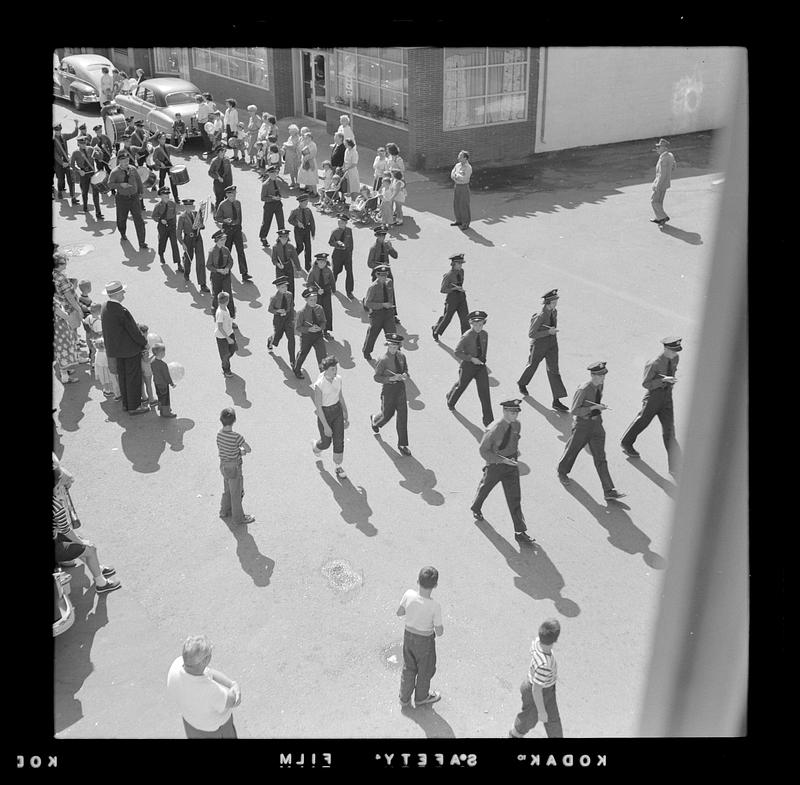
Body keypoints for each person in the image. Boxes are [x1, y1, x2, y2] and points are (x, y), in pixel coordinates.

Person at [557, 362, 627, 500]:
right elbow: (574, 410)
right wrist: (592, 409)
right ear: (593, 375)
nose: (603, 378)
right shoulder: (583, 389)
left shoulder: (600, 385)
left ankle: (609, 490)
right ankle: (562, 471)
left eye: (604, 375)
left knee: (601, 458)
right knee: (573, 449)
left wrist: (599, 407)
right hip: (582, 425)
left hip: (597, 426)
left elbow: (596, 400)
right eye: (601, 376)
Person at [470, 399, 536, 545]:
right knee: (485, 488)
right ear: (505, 411)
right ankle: (476, 506)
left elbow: (514, 440)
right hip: (496, 465)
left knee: (515, 498)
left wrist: (514, 454)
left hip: (511, 464)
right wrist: (501, 460)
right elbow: (483, 451)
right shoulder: (494, 429)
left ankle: (520, 531)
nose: (515, 416)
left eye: (517, 413)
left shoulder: (517, 425)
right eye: (512, 413)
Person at [53, 465, 121, 593]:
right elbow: (65, 529)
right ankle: (101, 584)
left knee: (81, 547)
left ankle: (96, 567)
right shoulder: (56, 504)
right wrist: (82, 542)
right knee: (90, 548)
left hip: (56, 537)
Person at [620, 337, 683, 475]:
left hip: (667, 398)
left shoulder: (675, 358)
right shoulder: (654, 363)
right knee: (643, 421)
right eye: (673, 351)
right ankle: (626, 442)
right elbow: (646, 384)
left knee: (669, 432)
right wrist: (662, 380)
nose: (675, 353)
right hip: (654, 397)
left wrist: (669, 382)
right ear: (666, 349)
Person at [167, 634, 242, 738]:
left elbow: (208, 672)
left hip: (191, 725)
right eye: (209, 654)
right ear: (204, 661)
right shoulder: (210, 691)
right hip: (217, 731)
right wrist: (235, 688)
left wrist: (230, 683)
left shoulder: (176, 666)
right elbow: (234, 701)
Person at [100, 280, 150, 414]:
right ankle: (135, 406)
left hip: (116, 350)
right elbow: (133, 331)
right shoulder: (121, 311)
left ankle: (127, 404)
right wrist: (144, 342)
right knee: (133, 378)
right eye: (122, 291)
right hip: (129, 350)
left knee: (123, 377)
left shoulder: (105, 307)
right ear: (117, 294)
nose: (124, 293)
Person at [396, 566, 444, 707]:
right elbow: (439, 631)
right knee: (425, 670)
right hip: (425, 642)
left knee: (408, 667)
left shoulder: (409, 594)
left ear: (417, 581)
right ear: (435, 585)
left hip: (408, 637)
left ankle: (404, 698)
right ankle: (421, 697)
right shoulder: (435, 606)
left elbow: (399, 612)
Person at [508, 620, 564, 738]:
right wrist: (541, 711)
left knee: (553, 720)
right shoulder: (545, 665)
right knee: (529, 718)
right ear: (555, 640)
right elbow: (536, 690)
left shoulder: (537, 642)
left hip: (544, 688)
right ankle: (514, 735)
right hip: (538, 691)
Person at [516, 288, 569, 411]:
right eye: (554, 301)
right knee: (532, 365)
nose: (556, 303)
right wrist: (548, 332)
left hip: (552, 345)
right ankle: (522, 383)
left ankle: (556, 400)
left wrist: (551, 333)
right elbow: (531, 334)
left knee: (554, 371)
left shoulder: (554, 312)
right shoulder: (539, 316)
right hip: (539, 345)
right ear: (548, 302)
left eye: (556, 301)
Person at [446, 310, 494, 427]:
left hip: (480, 366)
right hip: (468, 365)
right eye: (475, 325)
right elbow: (457, 352)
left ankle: (489, 421)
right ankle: (451, 401)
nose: (478, 327)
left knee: (484, 392)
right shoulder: (467, 336)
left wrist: (483, 362)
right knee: (461, 386)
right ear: (471, 324)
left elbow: (484, 349)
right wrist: (471, 359)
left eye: (481, 324)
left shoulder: (485, 334)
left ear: (484, 323)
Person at [370, 333, 411, 455]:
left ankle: (402, 444)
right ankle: (375, 421)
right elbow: (376, 377)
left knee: (403, 416)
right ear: (387, 345)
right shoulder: (383, 360)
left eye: (395, 346)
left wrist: (405, 375)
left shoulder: (402, 356)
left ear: (399, 346)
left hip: (401, 389)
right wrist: (390, 379)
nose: (393, 348)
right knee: (387, 414)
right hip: (389, 390)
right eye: (391, 346)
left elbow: (406, 370)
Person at [215, 407, 256, 525]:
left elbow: (224, 449)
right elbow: (248, 449)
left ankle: (224, 511)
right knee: (236, 493)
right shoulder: (236, 436)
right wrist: (241, 451)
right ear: (234, 420)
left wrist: (236, 451)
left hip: (223, 465)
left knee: (227, 490)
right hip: (234, 467)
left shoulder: (219, 434)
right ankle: (239, 518)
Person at [311, 355, 349, 478]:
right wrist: (326, 427)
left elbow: (340, 396)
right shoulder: (319, 385)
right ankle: (317, 446)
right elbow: (319, 408)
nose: (335, 371)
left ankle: (338, 467)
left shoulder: (338, 379)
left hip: (337, 411)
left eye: (336, 368)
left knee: (339, 440)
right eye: (332, 369)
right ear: (325, 370)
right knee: (326, 443)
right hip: (325, 414)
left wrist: (345, 414)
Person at [107, 152, 149, 250]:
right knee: (121, 219)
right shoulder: (115, 172)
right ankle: (122, 232)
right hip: (122, 199)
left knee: (139, 220)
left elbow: (138, 181)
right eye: (124, 161)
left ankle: (142, 242)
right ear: (119, 161)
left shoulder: (133, 169)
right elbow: (110, 184)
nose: (126, 162)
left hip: (134, 198)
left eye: (127, 160)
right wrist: (120, 185)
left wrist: (141, 193)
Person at [52, 252, 82, 385]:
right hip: (67, 310)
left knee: (67, 338)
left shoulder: (54, 274)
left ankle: (70, 366)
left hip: (63, 310)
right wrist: (77, 309)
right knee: (66, 340)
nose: (66, 264)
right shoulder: (61, 279)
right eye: (64, 262)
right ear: (58, 265)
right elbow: (69, 296)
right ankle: (67, 371)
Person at [214, 185, 251, 281]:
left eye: (234, 194)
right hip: (228, 229)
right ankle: (224, 270)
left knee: (240, 251)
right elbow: (217, 218)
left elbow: (240, 216)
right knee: (226, 250)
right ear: (227, 195)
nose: (233, 197)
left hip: (237, 229)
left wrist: (240, 228)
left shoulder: (238, 203)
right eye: (231, 195)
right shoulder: (222, 205)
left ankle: (244, 273)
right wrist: (225, 220)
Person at [432, 253, 469, 342]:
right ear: (454, 264)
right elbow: (442, 289)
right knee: (447, 318)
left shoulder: (462, 271)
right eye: (459, 263)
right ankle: (436, 330)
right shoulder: (448, 275)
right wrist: (453, 288)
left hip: (461, 297)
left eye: (461, 263)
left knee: (465, 318)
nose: (461, 265)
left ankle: (466, 338)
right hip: (452, 298)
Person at [362, 265, 396, 361]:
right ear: (377, 275)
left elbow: (390, 295)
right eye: (381, 275)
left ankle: (395, 353)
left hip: (388, 313)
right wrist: (382, 305)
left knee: (392, 334)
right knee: (373, 334)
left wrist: (390, 305)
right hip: (377, 314)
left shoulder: (389, 282)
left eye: (385, 275)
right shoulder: (373, 287)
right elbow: (367, 303)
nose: (384, 278)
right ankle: (367, 351)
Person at [293, 286, 327, 379]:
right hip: (307, 337)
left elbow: (324, 321)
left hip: (318, 336)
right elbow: (298, 328)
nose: (314, 302)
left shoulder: (319, 308)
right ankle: (297, 369)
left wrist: (320, 328)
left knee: (322, 355)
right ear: (306, 300)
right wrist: (308, 329)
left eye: (315, 299)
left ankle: (323, 374)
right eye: (311, 300)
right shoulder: (301, 312)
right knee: (303, 353)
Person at [177, 198, 210, 292]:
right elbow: (178, 232)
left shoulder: (196, 214)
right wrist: (182, 243)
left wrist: (200, 225)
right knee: (189, 258)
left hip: (198, 237)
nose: (189, 208)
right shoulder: (182, 217)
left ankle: (202, 284)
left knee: (200, 260)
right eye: (187, 206)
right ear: (184, 207)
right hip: (188, 239)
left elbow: (202, 225)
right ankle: (186, 272)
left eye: (190, 206)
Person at [70, 135, 103, 219]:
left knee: (95, 193)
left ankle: (98, 212)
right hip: (83, 174)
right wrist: (78, 170)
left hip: (92, 173)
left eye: (85, 143)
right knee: (84, 192)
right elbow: (72, 164)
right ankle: (85, 206)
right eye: (82, 143)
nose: (84, 145)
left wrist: (99, 151)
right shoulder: (75, 152)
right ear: (78, 144)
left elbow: (99, 158)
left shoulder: (91, 149)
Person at [206, 230, 236, 319]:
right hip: (216, 276)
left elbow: (231, 261)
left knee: (228, 294)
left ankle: (231, 314)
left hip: (226, 275)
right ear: (217, 240)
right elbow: (208, 265)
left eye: (225, 239)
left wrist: (227, 268)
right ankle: (216, 314)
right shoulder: (212, 252)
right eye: (222, 240)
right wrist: (218, 270)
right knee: (216, 295)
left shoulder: (226, 250)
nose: (224, 241)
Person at [267, 276, 295, 365]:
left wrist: (292, 317)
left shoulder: (289, 295)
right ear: (278, 288)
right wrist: (277, 311)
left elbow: (291, 306)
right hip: (278, 319)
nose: (285, 288)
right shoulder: (274, 298)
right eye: (282, 287)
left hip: (288, 319)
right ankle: (270, 340)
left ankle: (293, 360)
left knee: (291, 338)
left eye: (286, 286)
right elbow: (270, 309)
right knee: (277, 336)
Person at [307, 253, 336, 340]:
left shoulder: (328, 270)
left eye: (324, 262)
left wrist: (333, 290)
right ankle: (316, 330)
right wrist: (316, 289)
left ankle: (325, 331)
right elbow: (309, 283)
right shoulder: (313, 271)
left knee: (327, 311)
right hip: (316, 294)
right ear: (317, 262)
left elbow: (332, 280)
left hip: (326, 292)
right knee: (317, 311)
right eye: (320, 262)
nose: (322, 264)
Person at [152, 187, 181, 269]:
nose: (167, 198)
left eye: (167, 197)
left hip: (171, 225)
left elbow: (174, 215)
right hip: (162, 226)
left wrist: (174, 225)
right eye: (165, 197)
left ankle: (178, 263)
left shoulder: (172, 204)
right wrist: (160, 220)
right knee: (162, 242)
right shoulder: (158, 206)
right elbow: (154, 216)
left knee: (174, 244)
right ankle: (161, 254)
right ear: (160, 197)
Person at [151, 132, 185, 202]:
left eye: (164, 138)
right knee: (161, 181)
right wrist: (160, 163)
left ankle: (176, 198)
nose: (164, 140)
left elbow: (177, 149)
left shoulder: (168, 146)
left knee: (173, 182)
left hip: (169, 166)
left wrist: (182, 141)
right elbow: (154, 159)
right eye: (162, 139)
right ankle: (162, 196)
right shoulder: (157, 149)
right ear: (159, 140)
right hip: (162, 167)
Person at [288, 193, 316, 272]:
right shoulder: (295, 211)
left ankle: (308, 266)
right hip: (298, 230)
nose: (306, 204)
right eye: (304, 202)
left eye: (307, 202)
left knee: (308, 248)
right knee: (300, 247)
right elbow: (290, 220)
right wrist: (297, 224)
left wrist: (313, 232)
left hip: (306, 230)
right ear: (300, 203)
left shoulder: (308, 211)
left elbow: (312, 222)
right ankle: (292, 258)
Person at [54, 120, 80, 204]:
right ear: (54, 130)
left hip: (66, 161)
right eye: (57, 130)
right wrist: (62, 163)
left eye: (59, 130)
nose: (58, 132)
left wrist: (76, 125)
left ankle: (73, 197)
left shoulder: (64, 136)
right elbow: (55, 154)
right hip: (59, 163)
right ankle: (60, 191)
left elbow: (74, 134)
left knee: (71, 180)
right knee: (61, 180)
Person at [650, 138, 676, 225]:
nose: (657, 149)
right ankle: (659, 218)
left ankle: (663, 217)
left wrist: (657, 185)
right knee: (659, 201)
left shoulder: (663, 159)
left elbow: (662, 174)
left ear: (664, 148)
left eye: (659, 147)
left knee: (654, 201)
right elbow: (674, 167)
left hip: (660, 183)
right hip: (666, 183)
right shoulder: (670, 155)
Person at [329, 214, 354, 299]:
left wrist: (350, 253)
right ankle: (331, 287)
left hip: (347, 255)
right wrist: (337, 244)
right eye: (339, 222)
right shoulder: (335, 231)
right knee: (335, 272)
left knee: (349, 273)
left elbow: (351, 243)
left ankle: (349, 291)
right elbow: (330, 242)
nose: (340, 223)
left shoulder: (349, 231)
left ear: (346, 223)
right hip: (338, 254)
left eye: (342, 222)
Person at [259, 165, 285, 247]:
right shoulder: (265, 184)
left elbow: (280, 191)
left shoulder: (278, 181)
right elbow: (263, 198)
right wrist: (272, 198)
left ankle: (282, 237)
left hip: (278, 204)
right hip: (269, 205)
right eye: (272, 173)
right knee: (266, 222)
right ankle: (263, 237)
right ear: (269, 174)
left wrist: (280, 196)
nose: (274, 175)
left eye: (275, 173)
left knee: (281, 222)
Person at [271, 228, 300, 297]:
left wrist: (298, 269)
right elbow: (274, 259)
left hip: (288, 266)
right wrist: (278, 264)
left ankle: (291, 303)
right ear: (279, 238)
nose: (284, 239)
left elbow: (295, 258)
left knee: (291, 285)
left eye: (286, 237)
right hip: (280, 268)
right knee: (282, 285)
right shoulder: (275, 247)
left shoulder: (291, 247)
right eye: (282, 237)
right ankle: (282, 302)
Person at [150, 343, 177, 417]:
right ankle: (166, 412)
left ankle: (162, 409)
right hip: (163, 384)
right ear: (161, 354)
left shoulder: (152, 362)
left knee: (160, 396)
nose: (165, 353)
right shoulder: (163, 365)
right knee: (165, 398)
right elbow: (166, 376)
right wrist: (172, 384)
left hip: (156, 383)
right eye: (164, 352)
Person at [214, 292, 236, 378]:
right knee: (225, 354)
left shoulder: (225, 308)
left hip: (229, 332)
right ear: (226, 301)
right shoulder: (220, 312)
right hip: (222, 337)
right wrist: (228, 338)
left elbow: (226, 320)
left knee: (232, 349)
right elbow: (220, 327)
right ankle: (226, 370)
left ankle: (225, 361)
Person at [450, 150, 472, 230]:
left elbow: (464, 178)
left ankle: (465, 223)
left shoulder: (468, 167)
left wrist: (457, 176)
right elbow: (452, 174)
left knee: (464, 205)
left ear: (465, 158)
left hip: (464, 187)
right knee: (456, 203)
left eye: (460, 156)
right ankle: (458, 220)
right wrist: (456, 176)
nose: (458, 157)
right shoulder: (457, 165)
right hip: (457, 186)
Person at [138, 323, 158, 407]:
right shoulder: (144, 345)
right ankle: (151, 400)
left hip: (139, 366)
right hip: (146, 368)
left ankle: (144, 398)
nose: (147, 334)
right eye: (146, 332)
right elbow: (146, 360)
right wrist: (154, 354)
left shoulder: (137, 342)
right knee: (148, 384)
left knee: (142, 383)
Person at [208, 143, 233, 208]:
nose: (224, 152)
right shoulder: (214, 161)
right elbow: (210, 172)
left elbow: (229, 173)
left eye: (224, 151)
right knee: (219, 199)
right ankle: (217, 214)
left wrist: (230, 185)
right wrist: (217, 177)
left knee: (228, 199)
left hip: (227, 181)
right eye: (222, 151)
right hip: (218, 183)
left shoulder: (227, 160)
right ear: (218, 152)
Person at [298, 131, 319, 197]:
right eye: (304, 138)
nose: (305, 139)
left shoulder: (313, 144)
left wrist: (306, 158)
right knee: (307, 177)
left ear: (310, 138)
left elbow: (313, 154)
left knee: (312, 178)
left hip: (311, 163)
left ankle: (315, 193)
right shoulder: (306, 144)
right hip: (306, 163)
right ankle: (310, 190)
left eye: (306, 138)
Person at [281, 124, 301, 188]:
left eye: (291, 131)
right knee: (290, 169)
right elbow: (286, 144)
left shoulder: (298, 138)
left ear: (295, 131)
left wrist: (286, 145)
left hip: (295, 156)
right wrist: (284, 147)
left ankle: (297, 183)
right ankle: (292, 182)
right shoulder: (290, 137)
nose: (289, 132)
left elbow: (294, 147)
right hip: (288, 156)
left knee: (295, 169)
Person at [196, 94, 213, 160]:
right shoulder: (200, 105)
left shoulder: (205, 106)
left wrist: (201, 119)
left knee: (206, 136)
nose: (196, 101)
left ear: (198, 100)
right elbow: (199, 113)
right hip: (200, 122)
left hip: (204, 123)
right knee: (204, 136)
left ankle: (209, 150)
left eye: (196, 100)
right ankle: (208, 148)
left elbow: (208, 114)